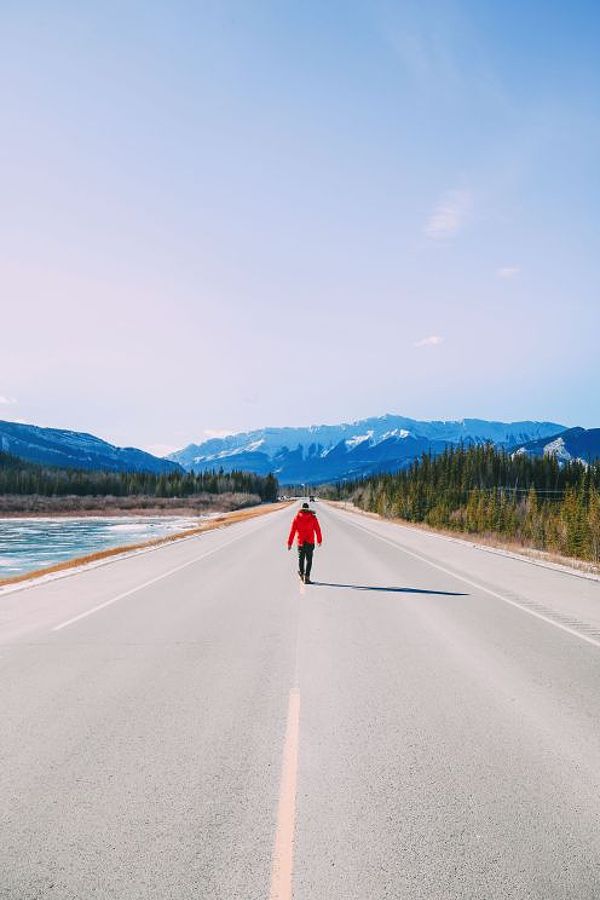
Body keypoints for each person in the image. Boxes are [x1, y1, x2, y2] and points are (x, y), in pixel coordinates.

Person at [287, 502, 323, 584]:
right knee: (309, 560)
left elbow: (292, 531)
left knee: (301, 559)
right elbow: (318, 530)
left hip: (301, 543)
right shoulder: (313, 518)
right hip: (310, 542)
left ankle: (302, 574)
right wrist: (319, 540)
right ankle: (307, 577)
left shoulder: (297, 518)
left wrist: (289, 543)